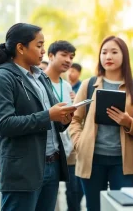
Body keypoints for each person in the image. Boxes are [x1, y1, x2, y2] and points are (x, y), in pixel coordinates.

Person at [0, 23, 77, 211]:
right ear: (20, 48)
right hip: (23, 168)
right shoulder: (2, 78)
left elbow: (52, 120)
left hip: (51, 164)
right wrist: (48, 115)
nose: (44, 51)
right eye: (39, 45)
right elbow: (3, 124)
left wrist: (64, 118)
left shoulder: (40, 76)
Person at [69, 35, 133, 211]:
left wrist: (128, 121)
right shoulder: (89, 84)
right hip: (92, 159)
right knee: (94, 207)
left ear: (124, 55)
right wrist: (79, 142)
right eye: (104, 52)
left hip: (124, 161)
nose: (108, 57)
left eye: (114, 52)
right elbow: (74, 118)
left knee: (125, 207)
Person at [45, 41, 84, 211]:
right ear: (51, 55)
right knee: (49, 198)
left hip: (67, 146)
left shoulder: (66, 86)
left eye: (71, 57)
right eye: (64, 55)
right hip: (47, 148)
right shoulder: (38, 81)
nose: (68, 60)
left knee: (75, 191)